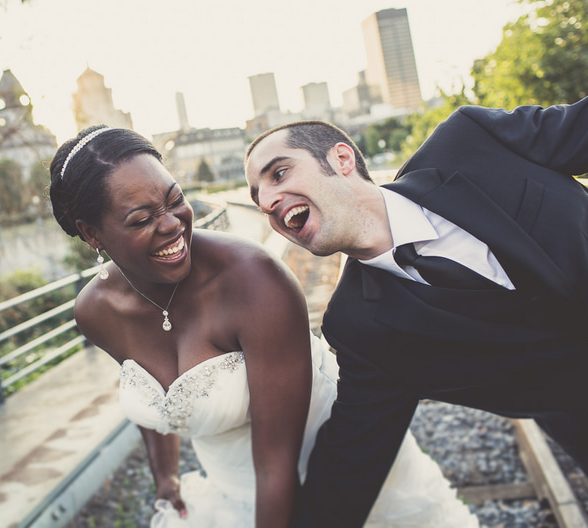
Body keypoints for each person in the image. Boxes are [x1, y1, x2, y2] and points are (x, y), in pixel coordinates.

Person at [244, 70, 588, 528]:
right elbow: (351, 462)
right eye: (257, 195)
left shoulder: (470, 144)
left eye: (279, 173)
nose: (266, 201)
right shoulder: (359, 328)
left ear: (342, 159)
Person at [49, 125, 479, 527]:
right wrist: (166, 476)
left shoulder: (254, 282)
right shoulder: (96, 312)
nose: (172, 224)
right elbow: (149, 388)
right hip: (226, 489)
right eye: (141, 219)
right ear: (93, 235)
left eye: (175, 199)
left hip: (330, 476)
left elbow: (276, 465)